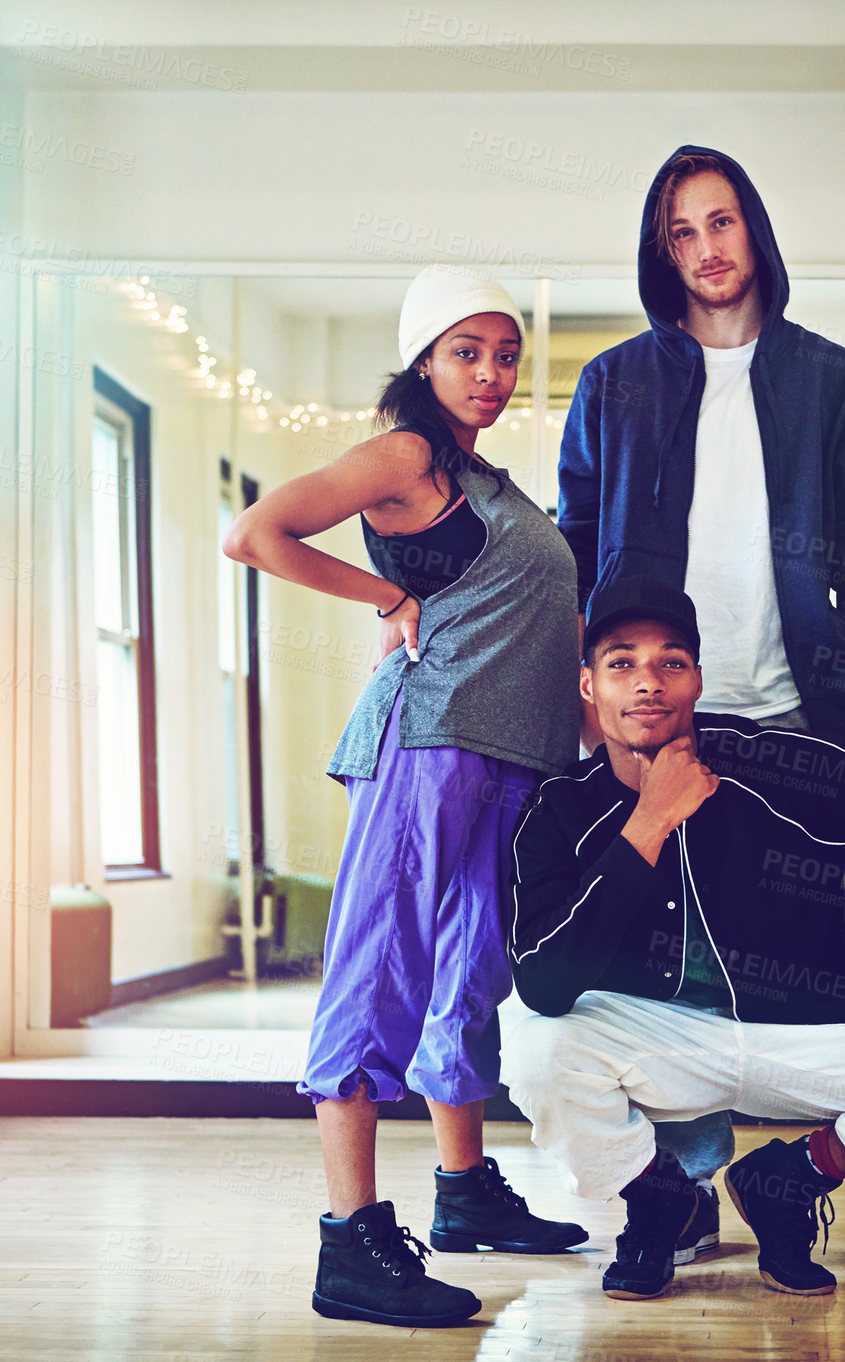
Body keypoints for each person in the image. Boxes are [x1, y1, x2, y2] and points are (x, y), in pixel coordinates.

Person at [556, 145, 845, 1262]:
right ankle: (669, 1195)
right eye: (682, 232)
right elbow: (570, 549)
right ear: (661, 252)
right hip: (660, 714)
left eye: (722, 224)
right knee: (657, 951)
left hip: (795, 707)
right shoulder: (616, 381)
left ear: (754, 232)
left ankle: (824, 1185)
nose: (707, 250)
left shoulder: (832, 377)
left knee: (821, 947)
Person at [502, 576, 845, 1304]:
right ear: (588, 685)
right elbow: (542, 980)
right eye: (621, 664)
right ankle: (657, 1197)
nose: (646, 684)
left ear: (696, 679)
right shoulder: (560, 808)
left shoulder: (773, 764)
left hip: (808, 1029)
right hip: (664, 1039)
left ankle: (790, 1179)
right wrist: (649, 823)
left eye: (670, 663)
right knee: (536, 1051)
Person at [223, 265, 587, 1330]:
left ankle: (465, 1191)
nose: (490, 372)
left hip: (510, 757)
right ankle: (351, 1243)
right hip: (429, 743)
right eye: (467, 352)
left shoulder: (486, 476)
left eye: (506, 353)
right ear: (424, 359)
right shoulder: (407, 452)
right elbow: (256, 532)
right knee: (381, 970)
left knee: (470, 974)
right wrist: (386, 591)